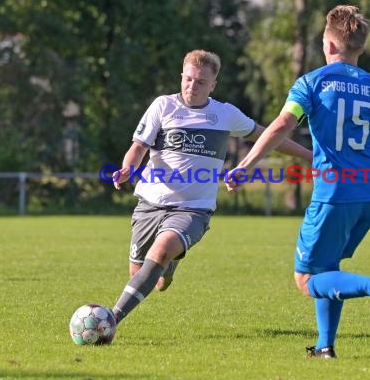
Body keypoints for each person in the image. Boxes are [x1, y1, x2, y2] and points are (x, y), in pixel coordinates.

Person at [225, 5, 370, 358]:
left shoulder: (312, 82)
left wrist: (247, 164)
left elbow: (281, 125)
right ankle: (325, 346)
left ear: (328, 44)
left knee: (306, 279)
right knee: (329, 267)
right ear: (361, 48)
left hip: (335, 192)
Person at [110, 49, 312, 325]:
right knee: (146, 278)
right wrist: (127, 170)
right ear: (182, 76)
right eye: (189, 79)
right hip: (150, 204)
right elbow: (138, 147)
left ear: (213, 85)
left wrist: (312, 156)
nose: (193, 86)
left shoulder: (225, 114)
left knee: (161, 250)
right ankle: (169, 265)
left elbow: (270, 136)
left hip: (193, 209)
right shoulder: (163, 106)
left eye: (201, 82)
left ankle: (111, 319)